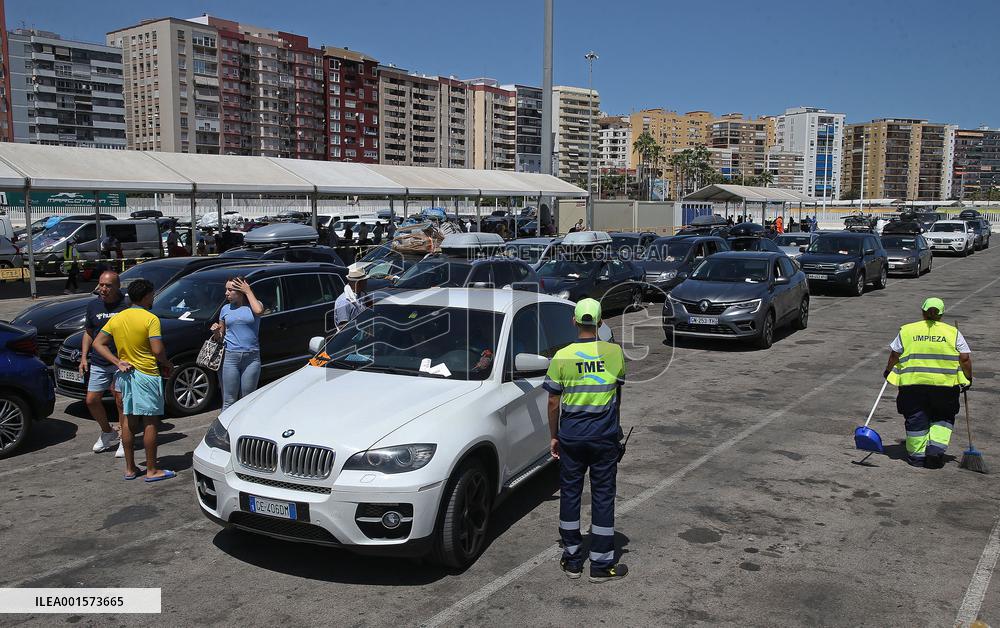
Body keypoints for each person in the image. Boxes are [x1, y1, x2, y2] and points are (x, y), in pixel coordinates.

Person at [543, 298, 628, 583]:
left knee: (570, 494)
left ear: (575, 321)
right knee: (603, 496)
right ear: (601, 321)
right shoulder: (614, 353)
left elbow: (554, 401)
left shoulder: (561, 356)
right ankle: (601, 565)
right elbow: (618, 394)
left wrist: (554, 436)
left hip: (571, 437)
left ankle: (572, 559)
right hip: (603, 438)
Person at [92, 279, 176, 482]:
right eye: (152, 294)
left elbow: (98, 343)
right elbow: (157, 350)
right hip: (146, 374)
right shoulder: (150, 318)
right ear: (147, 296)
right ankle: (151, 469)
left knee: (128, 420)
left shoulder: (119, 318)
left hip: (125, 376)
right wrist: (167, 363)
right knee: (150, 421)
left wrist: (117, 362)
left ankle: (130, 468)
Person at [883, 297, 973, 469]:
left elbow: (895, 355)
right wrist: (968, 378)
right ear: (941, 314)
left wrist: (888, 370)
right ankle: (934, 453)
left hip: (913, 385)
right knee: (943, 418)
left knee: (916, 417)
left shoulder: (908, 330)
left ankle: (917, 457)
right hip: (945, 387)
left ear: (923, 312)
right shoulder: (952, 332)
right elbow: (965, 358)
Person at [79, 271, 128, 456]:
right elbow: (88, 333)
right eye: (101, 285)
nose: (103, 289)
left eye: (108, 286)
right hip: (99, 361)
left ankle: (125, 438)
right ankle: (108, 432)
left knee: (120, 401)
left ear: (117, 287)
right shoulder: (93, 305)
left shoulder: (126, 306)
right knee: (91, 400)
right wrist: (84, 357)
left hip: (120, 361)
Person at [211, 276, 264, 411]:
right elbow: (221, 337)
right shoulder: (225, 309)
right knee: (229, 400)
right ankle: (224, 431)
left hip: (252, 358)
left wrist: (248, 291)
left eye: (230, 290)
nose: (226, 293)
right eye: (226, 290)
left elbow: (259, 311)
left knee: (248, 399)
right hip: (230, 357)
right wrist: (216, 332)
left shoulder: (254, 305)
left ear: (240, 291)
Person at [333, 263, 368, 331]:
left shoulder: (362, 294)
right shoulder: (343, 302)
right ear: (358, 283)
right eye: (365, 281)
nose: (366, 283)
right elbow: (344, 329)